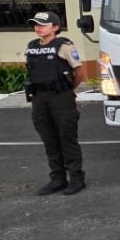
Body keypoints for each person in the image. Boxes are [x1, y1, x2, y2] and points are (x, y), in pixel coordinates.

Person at [24, 11, 85, 195]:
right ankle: (57, 179)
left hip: (61, 97)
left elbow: (79, 71)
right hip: (40, 98)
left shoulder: (64, 46)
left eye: (43, 24)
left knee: (67, 138)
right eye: (36, 24)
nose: (38, 28)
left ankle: (76, 178)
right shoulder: (32, 46)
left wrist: (68, 90)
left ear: (55, 27)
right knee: (49, 140)